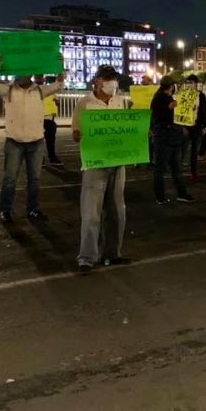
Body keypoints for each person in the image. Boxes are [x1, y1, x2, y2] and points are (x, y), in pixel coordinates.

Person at [0, 54, 65, 222]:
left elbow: (59, 84)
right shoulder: (8, 90)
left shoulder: (39, 91)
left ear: (29, 74)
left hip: (36, 142)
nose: (19, 75)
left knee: (34, 179)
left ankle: (33, 209)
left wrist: (60, 65)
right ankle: (5, 210)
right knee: (10, 179)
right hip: (14, 141)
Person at [72, 66, 130, 273]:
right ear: (96, 81)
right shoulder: (84, 103)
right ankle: (87, 258)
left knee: (117, 211)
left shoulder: (119, 102)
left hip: (117, 163)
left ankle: (113, 253)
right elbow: (76, 131)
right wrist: (78, 135)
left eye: (114, 78)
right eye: (107, 78)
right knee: (92, 213)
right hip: (95, 164)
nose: (112, 82)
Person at [150, 76, 194, 204]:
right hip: (164, 137)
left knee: (176, 168)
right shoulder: (159, 98)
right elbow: (158, 115)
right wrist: (171, 107)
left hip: (172, 136)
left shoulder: (166, 97)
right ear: (171, 86)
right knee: (161, 169)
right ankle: (160, 197)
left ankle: (181, 193)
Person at [181, 74, 206, 182]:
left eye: (191, 82)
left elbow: (204, 111)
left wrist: (204, 126)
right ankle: (177, 171)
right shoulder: (182, 94)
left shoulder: (201, 96)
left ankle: (194, 172)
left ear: (196, 84)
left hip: (196, 126)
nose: (189, 85)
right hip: (184, 127)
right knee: (181, 150)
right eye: (187, 82)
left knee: (194, 150)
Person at [35, 75, 63, 166]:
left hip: (49, 119)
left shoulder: (49, 90)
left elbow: (57, 101)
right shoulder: (33, 91)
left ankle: (52, 157)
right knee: (38, 141)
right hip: (37, 119)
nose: (40, 79)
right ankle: (41, 158)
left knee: (50, 140)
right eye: (38, 77)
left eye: (40, 77)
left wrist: (56, 102)